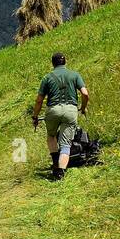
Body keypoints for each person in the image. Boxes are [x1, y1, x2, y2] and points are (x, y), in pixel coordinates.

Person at [32, 52, 89, 180]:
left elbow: (39, 100)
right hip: (70, 111)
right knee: (66, 144)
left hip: (53, 111)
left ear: (53, 63)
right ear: (65, 61)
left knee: (51, 136)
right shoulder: (75, 75)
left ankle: (55, 162)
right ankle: (60, 172)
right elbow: (85, 94)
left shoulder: (47, 78)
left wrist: (35, 116)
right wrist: (83, 108)